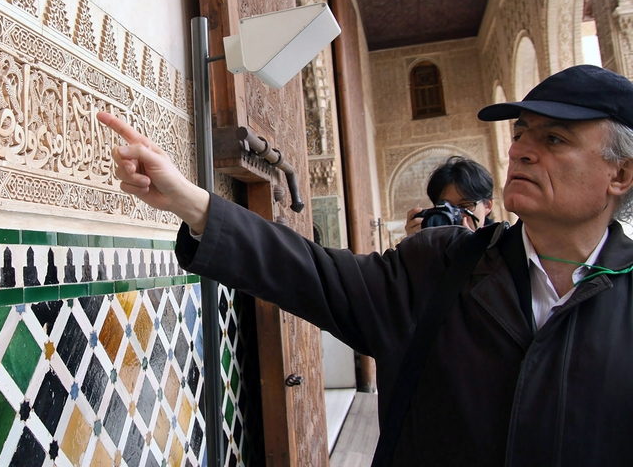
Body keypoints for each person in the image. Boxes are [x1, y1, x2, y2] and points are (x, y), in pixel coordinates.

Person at [97, 64, 633, 466]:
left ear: (622, 175)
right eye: (520, 134)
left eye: (554, 138)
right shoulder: (444, 266)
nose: (520, 151)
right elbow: (314, 273)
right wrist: (191, 202)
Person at [404, 155, 495, 235]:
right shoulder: (432, 245)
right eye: (447, 208)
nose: (454, 215)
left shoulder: (502, 247)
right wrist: (415, 246)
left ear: (488, 205)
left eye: (464, 206)